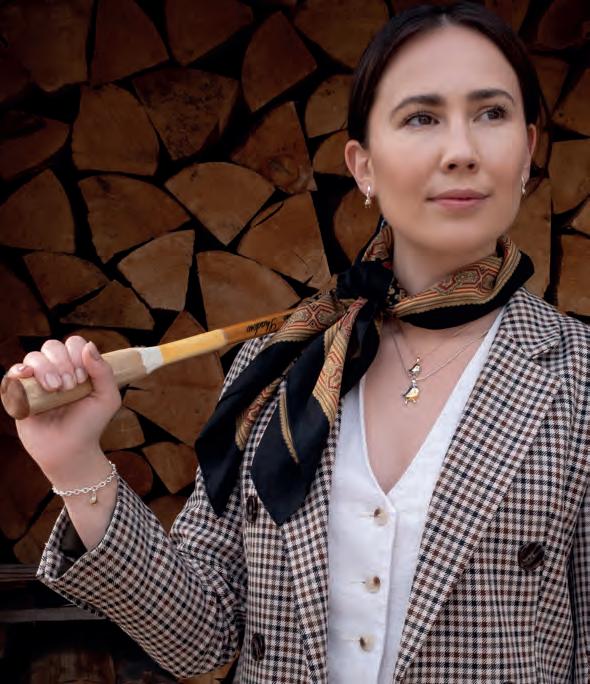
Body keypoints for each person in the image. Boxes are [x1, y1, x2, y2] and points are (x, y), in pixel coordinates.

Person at [6, 3, 589, 682]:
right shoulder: (283, 364)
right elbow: (201, 639)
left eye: (490, 113)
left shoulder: (579, 377)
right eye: (421, 117)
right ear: (363, 167)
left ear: (527, 152)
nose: (461, 150)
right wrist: (75, 462)